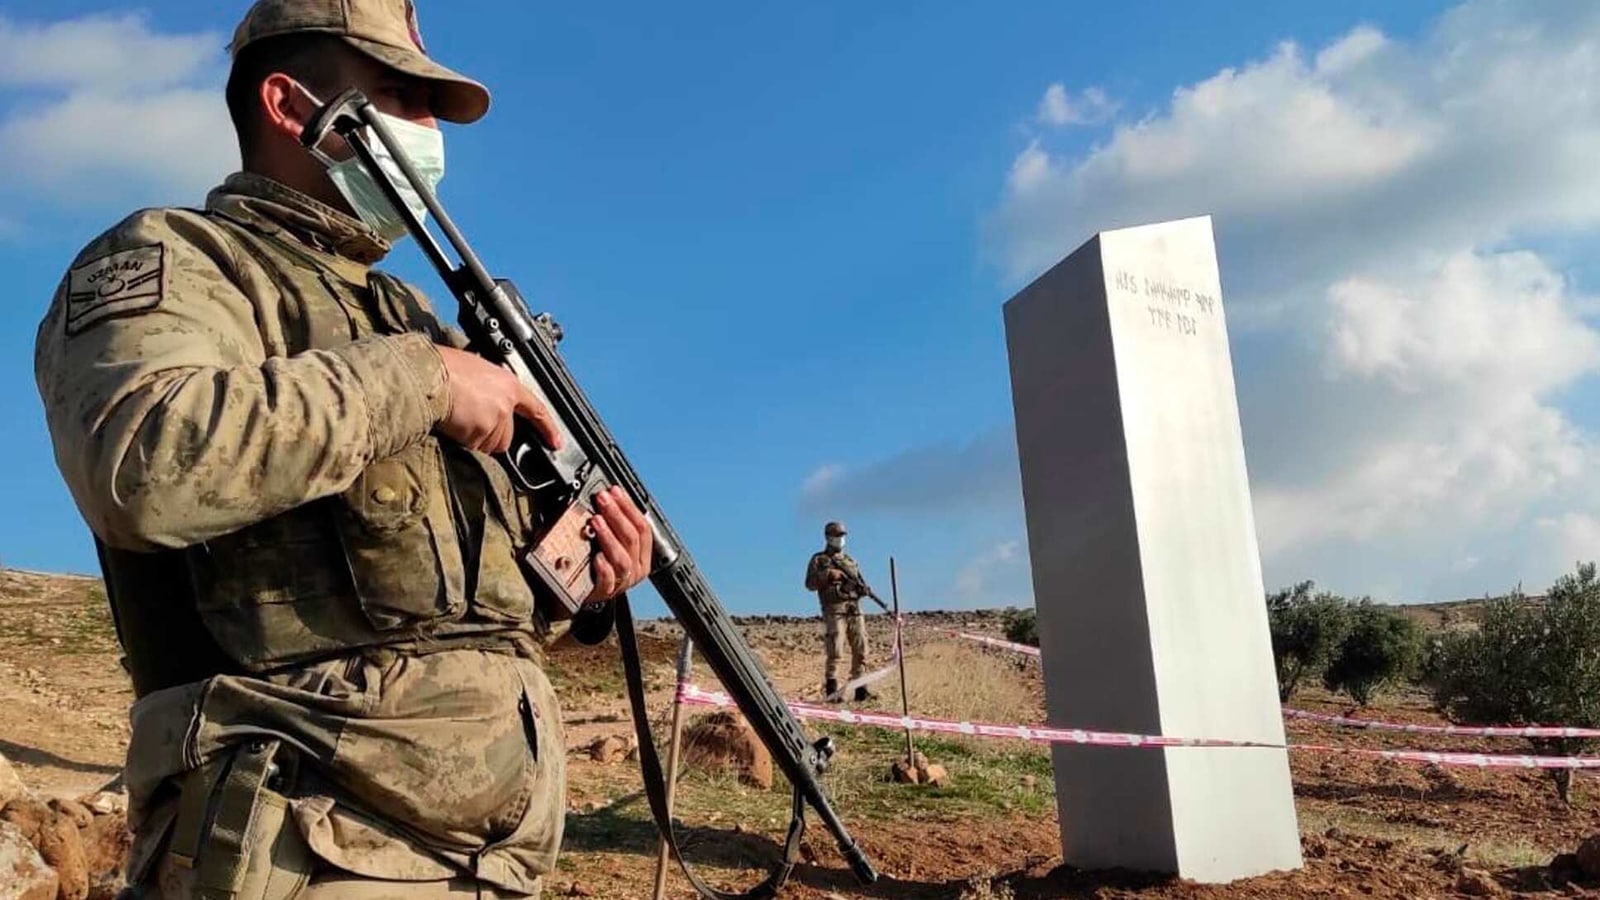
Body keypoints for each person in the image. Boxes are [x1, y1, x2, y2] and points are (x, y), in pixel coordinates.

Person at [31, 1, 655, 896]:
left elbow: (453, 606)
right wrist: (423, 383)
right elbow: (142, 466)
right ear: (291, 106)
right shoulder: (179, 258)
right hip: (301, 834)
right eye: (402, 96)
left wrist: (581, 585)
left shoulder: (404, 314)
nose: (429, 131)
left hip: (488, 852)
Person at [803, 521, 875, 702]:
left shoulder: (851, 561)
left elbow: (859, 583)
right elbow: (810, 584)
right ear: (828, 537)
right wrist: (828, 575)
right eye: (837, 536)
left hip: (854, 608)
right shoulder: (819, 559)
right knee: (835, 649)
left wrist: (863, 590)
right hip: (834, 609)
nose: (840, 539)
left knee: (861, 649)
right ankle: (832, 691)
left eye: (842, 536)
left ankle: (861, 689)